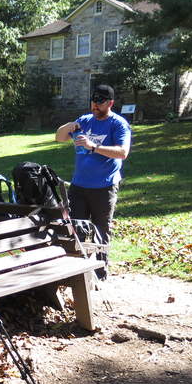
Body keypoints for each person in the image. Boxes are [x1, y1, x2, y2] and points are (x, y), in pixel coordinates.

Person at [54, 84, 131, 279]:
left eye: (100, 103)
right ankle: (78, 270)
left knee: (101, 229)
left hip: (104, 186)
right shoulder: (84, 121)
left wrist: (94, 146)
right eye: (93, 102)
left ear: (110, 103)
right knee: (76, 228)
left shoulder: (118, 124)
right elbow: (59, 138)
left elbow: (123, 152)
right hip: (79, 186)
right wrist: (67, 126)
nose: (95, 106)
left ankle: (101, 269)